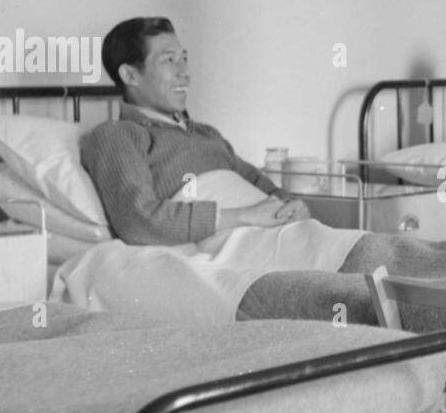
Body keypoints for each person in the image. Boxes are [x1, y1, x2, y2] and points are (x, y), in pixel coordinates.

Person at [82, 17, 309, 245]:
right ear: (130, 75)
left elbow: (262, 186)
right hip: (238, 247)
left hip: (283, 235)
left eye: (184, 59)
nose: (185, 72)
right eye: (169, 60)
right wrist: (245, 216)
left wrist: (292, 204)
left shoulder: (207, 134)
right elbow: (138, 221)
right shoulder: (118, 135)